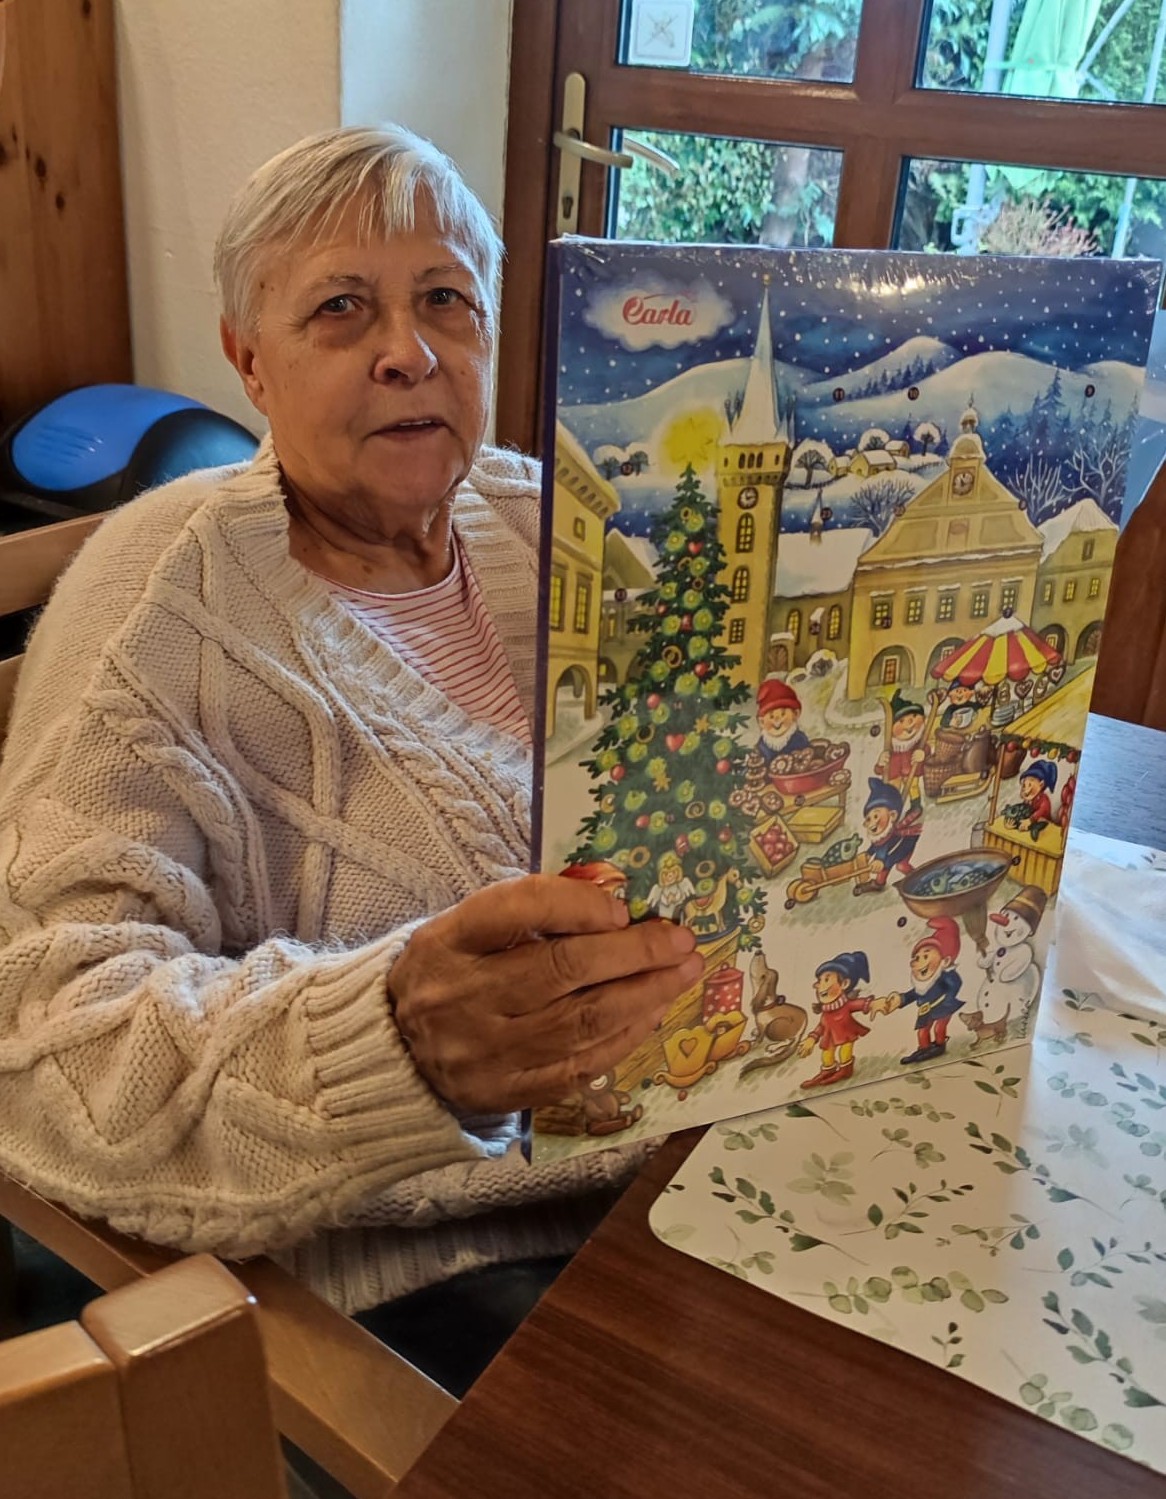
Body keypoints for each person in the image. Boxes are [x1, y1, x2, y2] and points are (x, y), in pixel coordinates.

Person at [0, 126, 702, 1392]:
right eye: (340, 309)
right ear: (247, 359)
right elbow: (56, 1055)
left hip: (697, 1153)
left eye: (446, 300)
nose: (408, 351)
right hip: (433, 1272)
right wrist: (389, 1042)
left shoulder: (554, 521)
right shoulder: (157, 600)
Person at [878, 916, 964, 1064]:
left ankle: (939, 1045)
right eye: (916, 957)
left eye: (925, 956)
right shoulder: (922, 984)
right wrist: (900, 1000)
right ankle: (924, 1049)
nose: (916, 961)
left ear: (945, 961)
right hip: (926, 1009)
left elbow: (955, 984)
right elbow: (913, 994)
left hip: (943, 1007)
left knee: (939, 1028)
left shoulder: (946, 977)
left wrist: (948, 1000)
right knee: (922, 1031)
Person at [754, 675, 810, 770]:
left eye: (783, 714)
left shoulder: (799, 739)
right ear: (761, 722)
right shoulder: (762, 745)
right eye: (771, 717)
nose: (777, 720)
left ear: (795, 714)